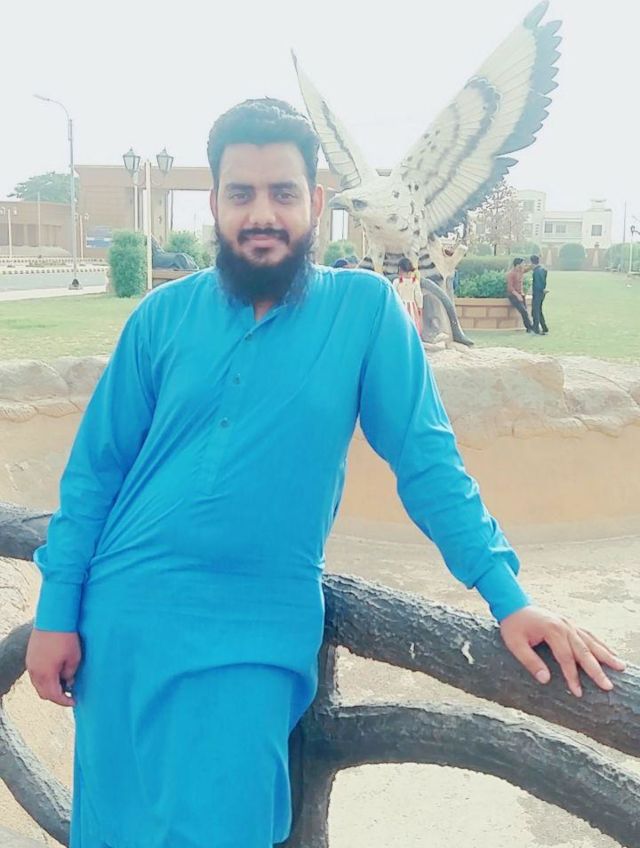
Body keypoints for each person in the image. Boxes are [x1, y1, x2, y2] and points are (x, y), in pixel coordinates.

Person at [26, 98, 625, 848]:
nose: (262, 214)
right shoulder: (162, 315)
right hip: (122, 623)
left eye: (282, 192)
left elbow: (427, 464)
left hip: (252, 630)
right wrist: (57, 610)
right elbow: (94, 473)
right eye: (241, 193)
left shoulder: (363, 312)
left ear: (314, 202)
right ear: (215, 204)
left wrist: (509, 598)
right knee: (113, 828)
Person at [393, 257, 423, 331]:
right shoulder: (415, 282)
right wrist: (420, 307)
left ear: (400, 270)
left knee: (401, 323)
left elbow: (394, 295)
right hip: (412, 307)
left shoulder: (397, 282)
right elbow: (418, 296)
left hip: (400, 306)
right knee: (412, 323)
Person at [506, 257, 534, 332]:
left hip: (521, 294)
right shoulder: (511, 274)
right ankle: (529, 327)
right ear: (518, 264)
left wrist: (535, 260)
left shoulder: (521, 271)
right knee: (523, 311)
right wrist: (517, 296)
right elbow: (510, 288)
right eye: (522, 263)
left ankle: (529, 327)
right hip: (513, 296)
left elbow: (528, 268)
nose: (524, 265)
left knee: (525, 311)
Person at [530, 254, 549, 335]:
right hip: (542, 292)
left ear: (532, 262)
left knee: (535, 311)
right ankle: (544, 327)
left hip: (538, 292)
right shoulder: (543, 269)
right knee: (539, 310)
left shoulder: (536, 271)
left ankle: (536, 328)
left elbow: (537, 283)